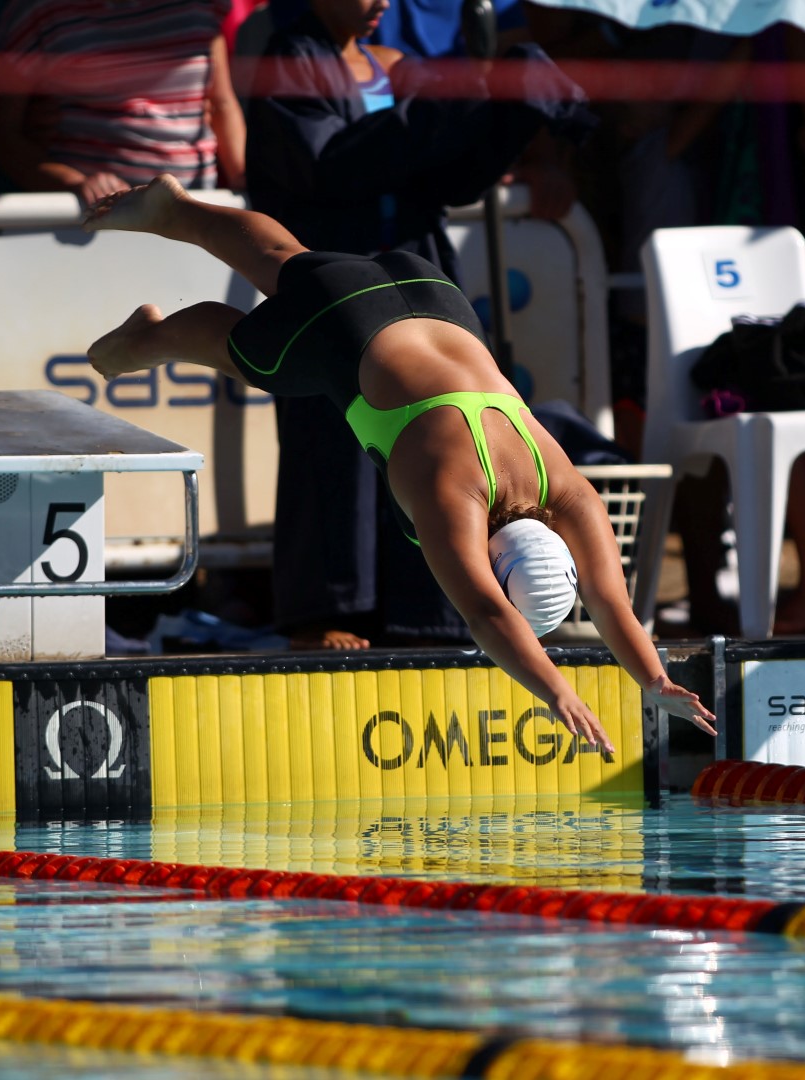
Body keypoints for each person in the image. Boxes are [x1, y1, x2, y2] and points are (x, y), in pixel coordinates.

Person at [83, 174, 718, 749]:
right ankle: (152, 336)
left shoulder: (565, 487)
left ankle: (178, 209)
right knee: (254, 358)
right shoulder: (453, 498)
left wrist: (655, 679)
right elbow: (487, 614)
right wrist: (558, 693)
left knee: (285, 259)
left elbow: (609, 599)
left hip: (431, 290)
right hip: (343, 323)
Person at [245, 0, 592, 650]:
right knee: (330, 437)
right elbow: (328, 165)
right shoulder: (290, 59)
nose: (381, 1)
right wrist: (445, 110)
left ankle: (427, 607)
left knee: (434, 432)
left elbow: (450, 179)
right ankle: (326, 609)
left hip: (412, 270)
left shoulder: (401, 67)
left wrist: (510, 112)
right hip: (334, 278)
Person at [0, 0, 246, 204]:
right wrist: (74, 183)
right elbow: (1, 134)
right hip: (84, 222)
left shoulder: (201, 5)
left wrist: (244, 179)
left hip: (196, 213)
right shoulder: (38, 10)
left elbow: (221, 105)